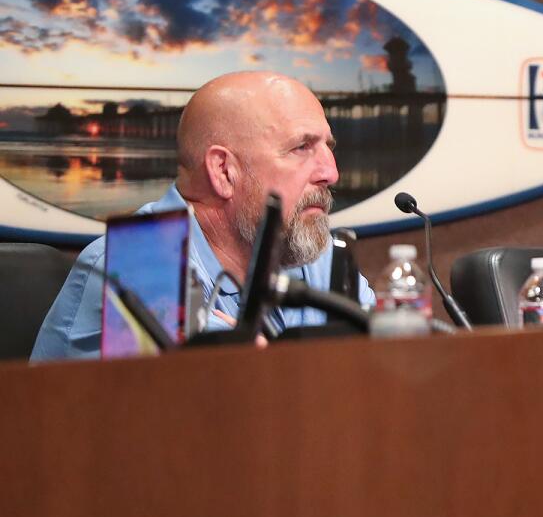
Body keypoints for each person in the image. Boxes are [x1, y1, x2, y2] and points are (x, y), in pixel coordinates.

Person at [31, 71, 374, 360]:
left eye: (328, 148)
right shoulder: (137, 261)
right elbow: (189, 419)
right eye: (302, 147)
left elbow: (382, 370)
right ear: (224, 171)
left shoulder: (314, 252)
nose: (331, 172)